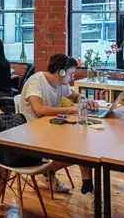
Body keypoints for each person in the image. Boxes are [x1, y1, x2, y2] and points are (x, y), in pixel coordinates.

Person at [19, 53, 98, 194]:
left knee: (84, 142)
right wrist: (70, 110)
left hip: (49, 126)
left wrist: (85, 100)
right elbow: (39, 110)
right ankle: (47, 172)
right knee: (77, 149)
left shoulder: (62, 84)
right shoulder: (36, 81)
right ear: (61, 72)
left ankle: (87, 182)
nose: (73, 77)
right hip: (31, 132)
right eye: (71, 73)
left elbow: (76, 97)